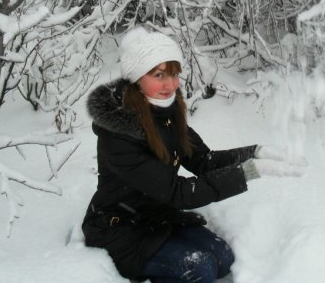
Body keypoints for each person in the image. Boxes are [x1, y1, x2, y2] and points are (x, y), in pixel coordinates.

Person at [82, 27, 306, 283]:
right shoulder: (118, 135)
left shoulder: (166, 114)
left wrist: (255, 152)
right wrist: (250, 171)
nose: (171, 84)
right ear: (136, 79)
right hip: (118, 228)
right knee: (201, 270)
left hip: (157, 216)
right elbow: (178, 192)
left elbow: (202, 161)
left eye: (174, 74)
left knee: (223, 258)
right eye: (159, 75)